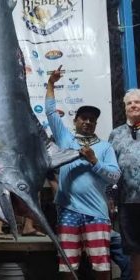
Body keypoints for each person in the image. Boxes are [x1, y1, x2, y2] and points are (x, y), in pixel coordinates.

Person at [45, 65, 121, 280]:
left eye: (92, 119)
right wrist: (51, 84)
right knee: (68, 265)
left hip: (97, 212)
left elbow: (115, 177)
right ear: (76, 121)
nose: (87, 121)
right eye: (83, 118)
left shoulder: (105, 147)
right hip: (68, 211)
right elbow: (51, 112)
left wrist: (94, 161)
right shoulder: (66, 139)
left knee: (101, 265)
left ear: (96, 123)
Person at [108, 88, 140, 280]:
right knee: (135, 250)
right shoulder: (116, 134)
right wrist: (110, 197)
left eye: (137, 102)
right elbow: (111, 169)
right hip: (127, 202)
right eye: (129, 103)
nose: (133, 105)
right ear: (125, 108)